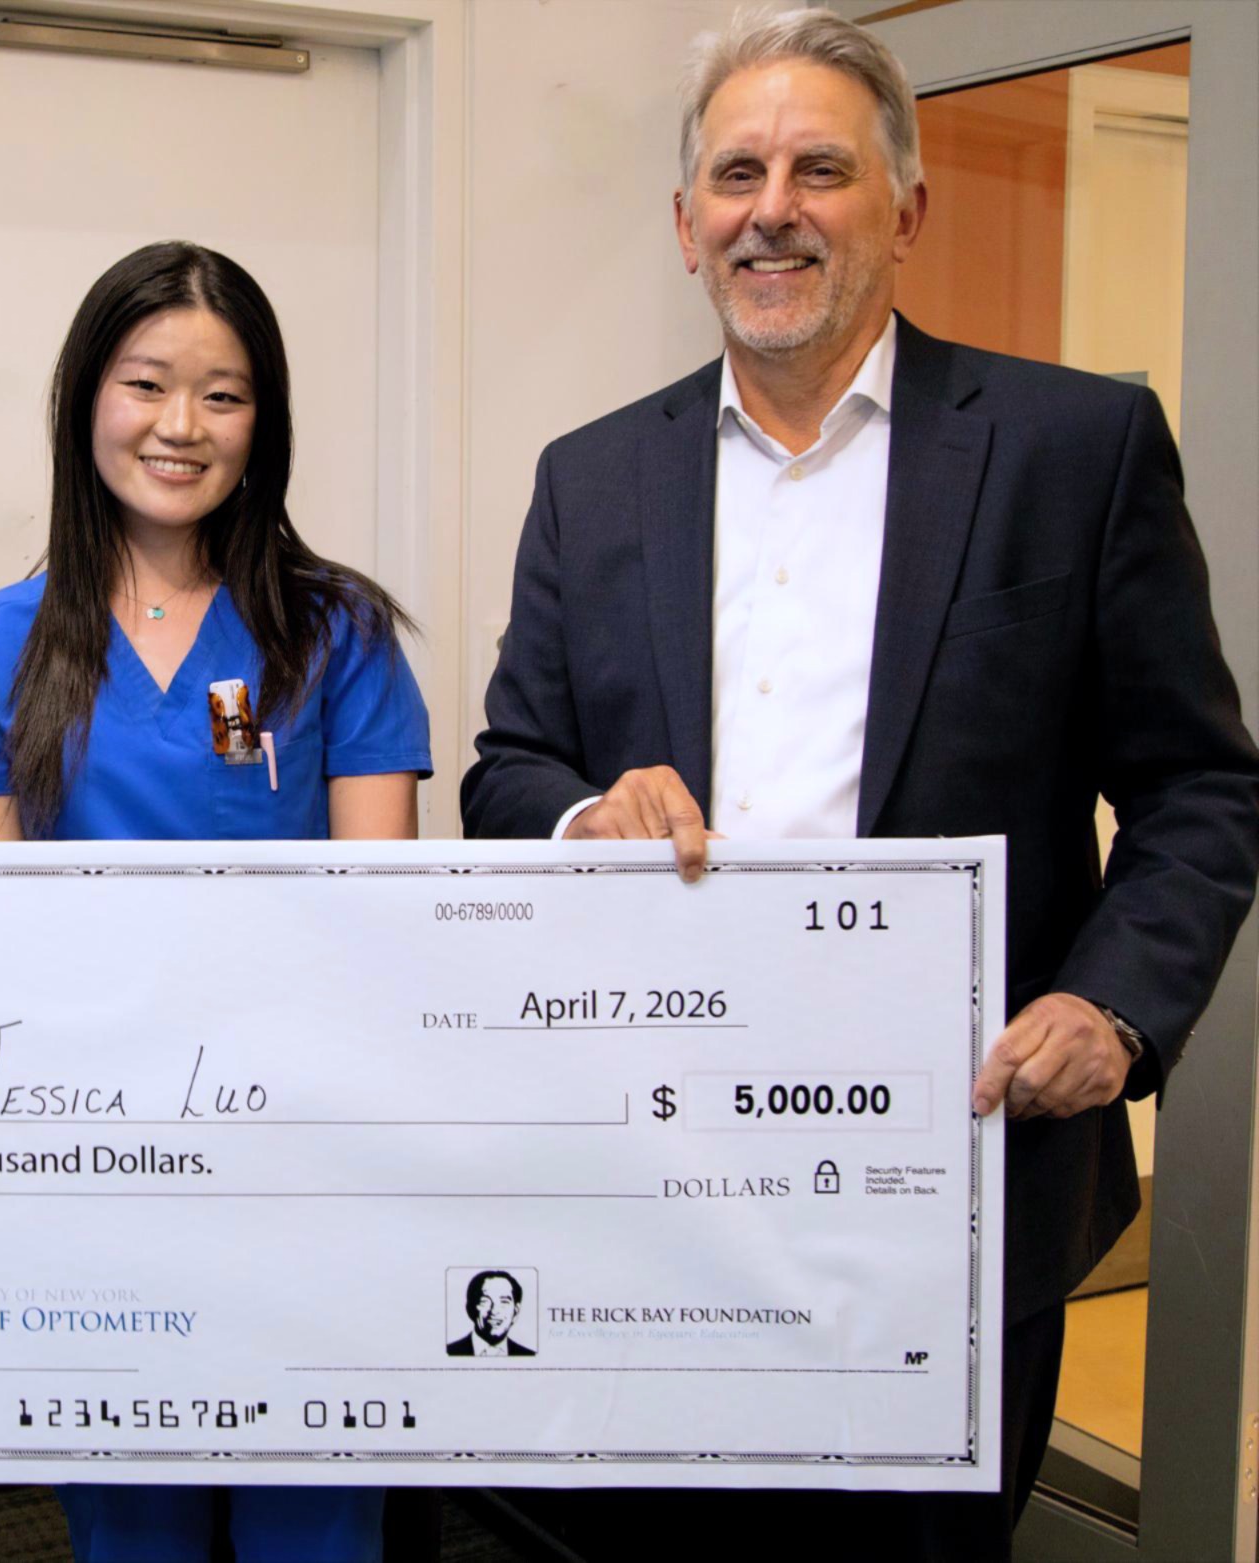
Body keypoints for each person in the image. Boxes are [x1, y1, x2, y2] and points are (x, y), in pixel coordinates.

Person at [461, 9, 1259, 1560]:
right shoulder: (591, 475)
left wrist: (1115, 1008)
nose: (775, 207)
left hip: (960, 1188)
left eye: (820, 169)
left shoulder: (1073, 449)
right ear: (685, 223)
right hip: (658, 1187)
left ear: (903, 206)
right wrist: (580, 817)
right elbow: (509, 770)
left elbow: (1200, 790)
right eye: (737, 172)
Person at [0, 240, 431, 1561]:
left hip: (305, 1159)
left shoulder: (339, 634)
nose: (180, 425)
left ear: (262, 423)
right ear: (85, 396)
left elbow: (383, 927)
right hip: (93, 1159)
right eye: (148, 382)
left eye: (224, 394)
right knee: (129, 1524)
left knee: (314, 1519)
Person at [448, 1271, 533, 1357]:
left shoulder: (529, 1356)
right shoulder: (450, 1352)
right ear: (470, 1309)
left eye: (504, 1302)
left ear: (515, 1312)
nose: (494, 1311)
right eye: (485, 1301)